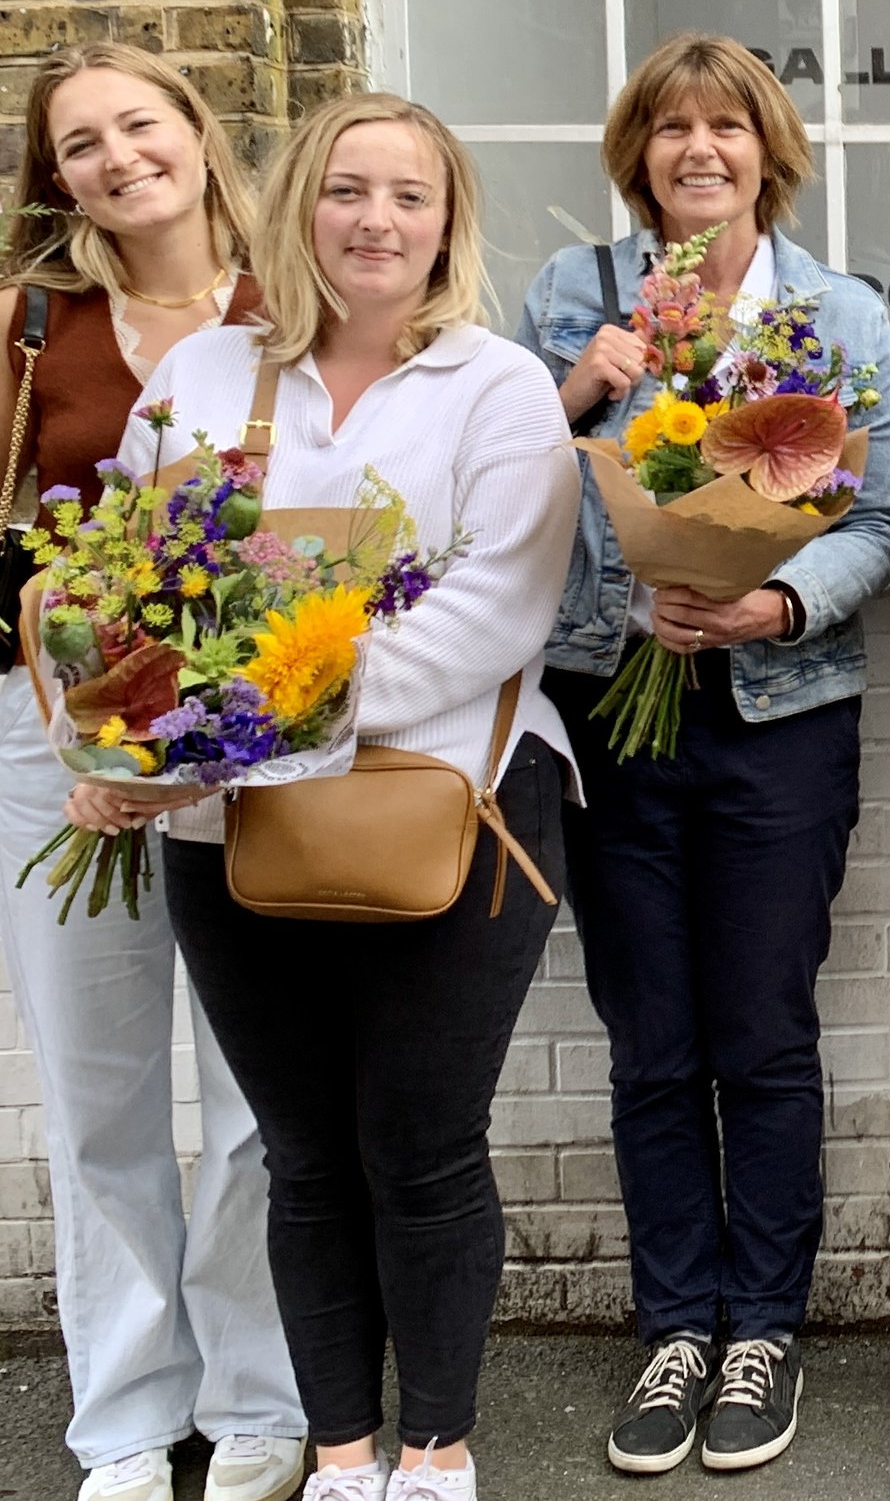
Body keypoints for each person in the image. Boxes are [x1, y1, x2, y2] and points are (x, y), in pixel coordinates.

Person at [64, 92, 582, 1501]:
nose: (376, 221)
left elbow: (498, 611)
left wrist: (264, 710)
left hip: (449, 809)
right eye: (348, 191)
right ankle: (343, 1449)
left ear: (447, 226)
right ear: (301, 210)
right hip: (228, 821)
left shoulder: (500, 387)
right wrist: (116, 745)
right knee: (300, 1155)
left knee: (420, 1146)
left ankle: (437, 1447)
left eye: (409, 198)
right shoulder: (206, 380)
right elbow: (128, 587)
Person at [518, 34, 890, 1477]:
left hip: (777, 714)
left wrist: (769, 600)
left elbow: (884, 519)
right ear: (638, 154)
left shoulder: (839, 313)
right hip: (611, 705)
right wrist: (580, 395)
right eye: (671, 127)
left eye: (726, 127)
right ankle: (675, 1323)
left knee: (762, 1032)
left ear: (768, 152)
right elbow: (500, 494)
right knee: (651, 1040)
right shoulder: (573, 301)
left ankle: (764, 1330)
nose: (699, 150)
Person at [0, 42, 305, 1501]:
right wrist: (73, 675)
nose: (119, 158)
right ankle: (126, 1413)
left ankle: (259, 1395)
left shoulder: (288, 309)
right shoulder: (25, 326)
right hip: (53, 736)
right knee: (98, 1083)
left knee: (256, 1088)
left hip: (246, 734)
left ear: (196, 132)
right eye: (81, 145)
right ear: (53, 179)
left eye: (141, 124)